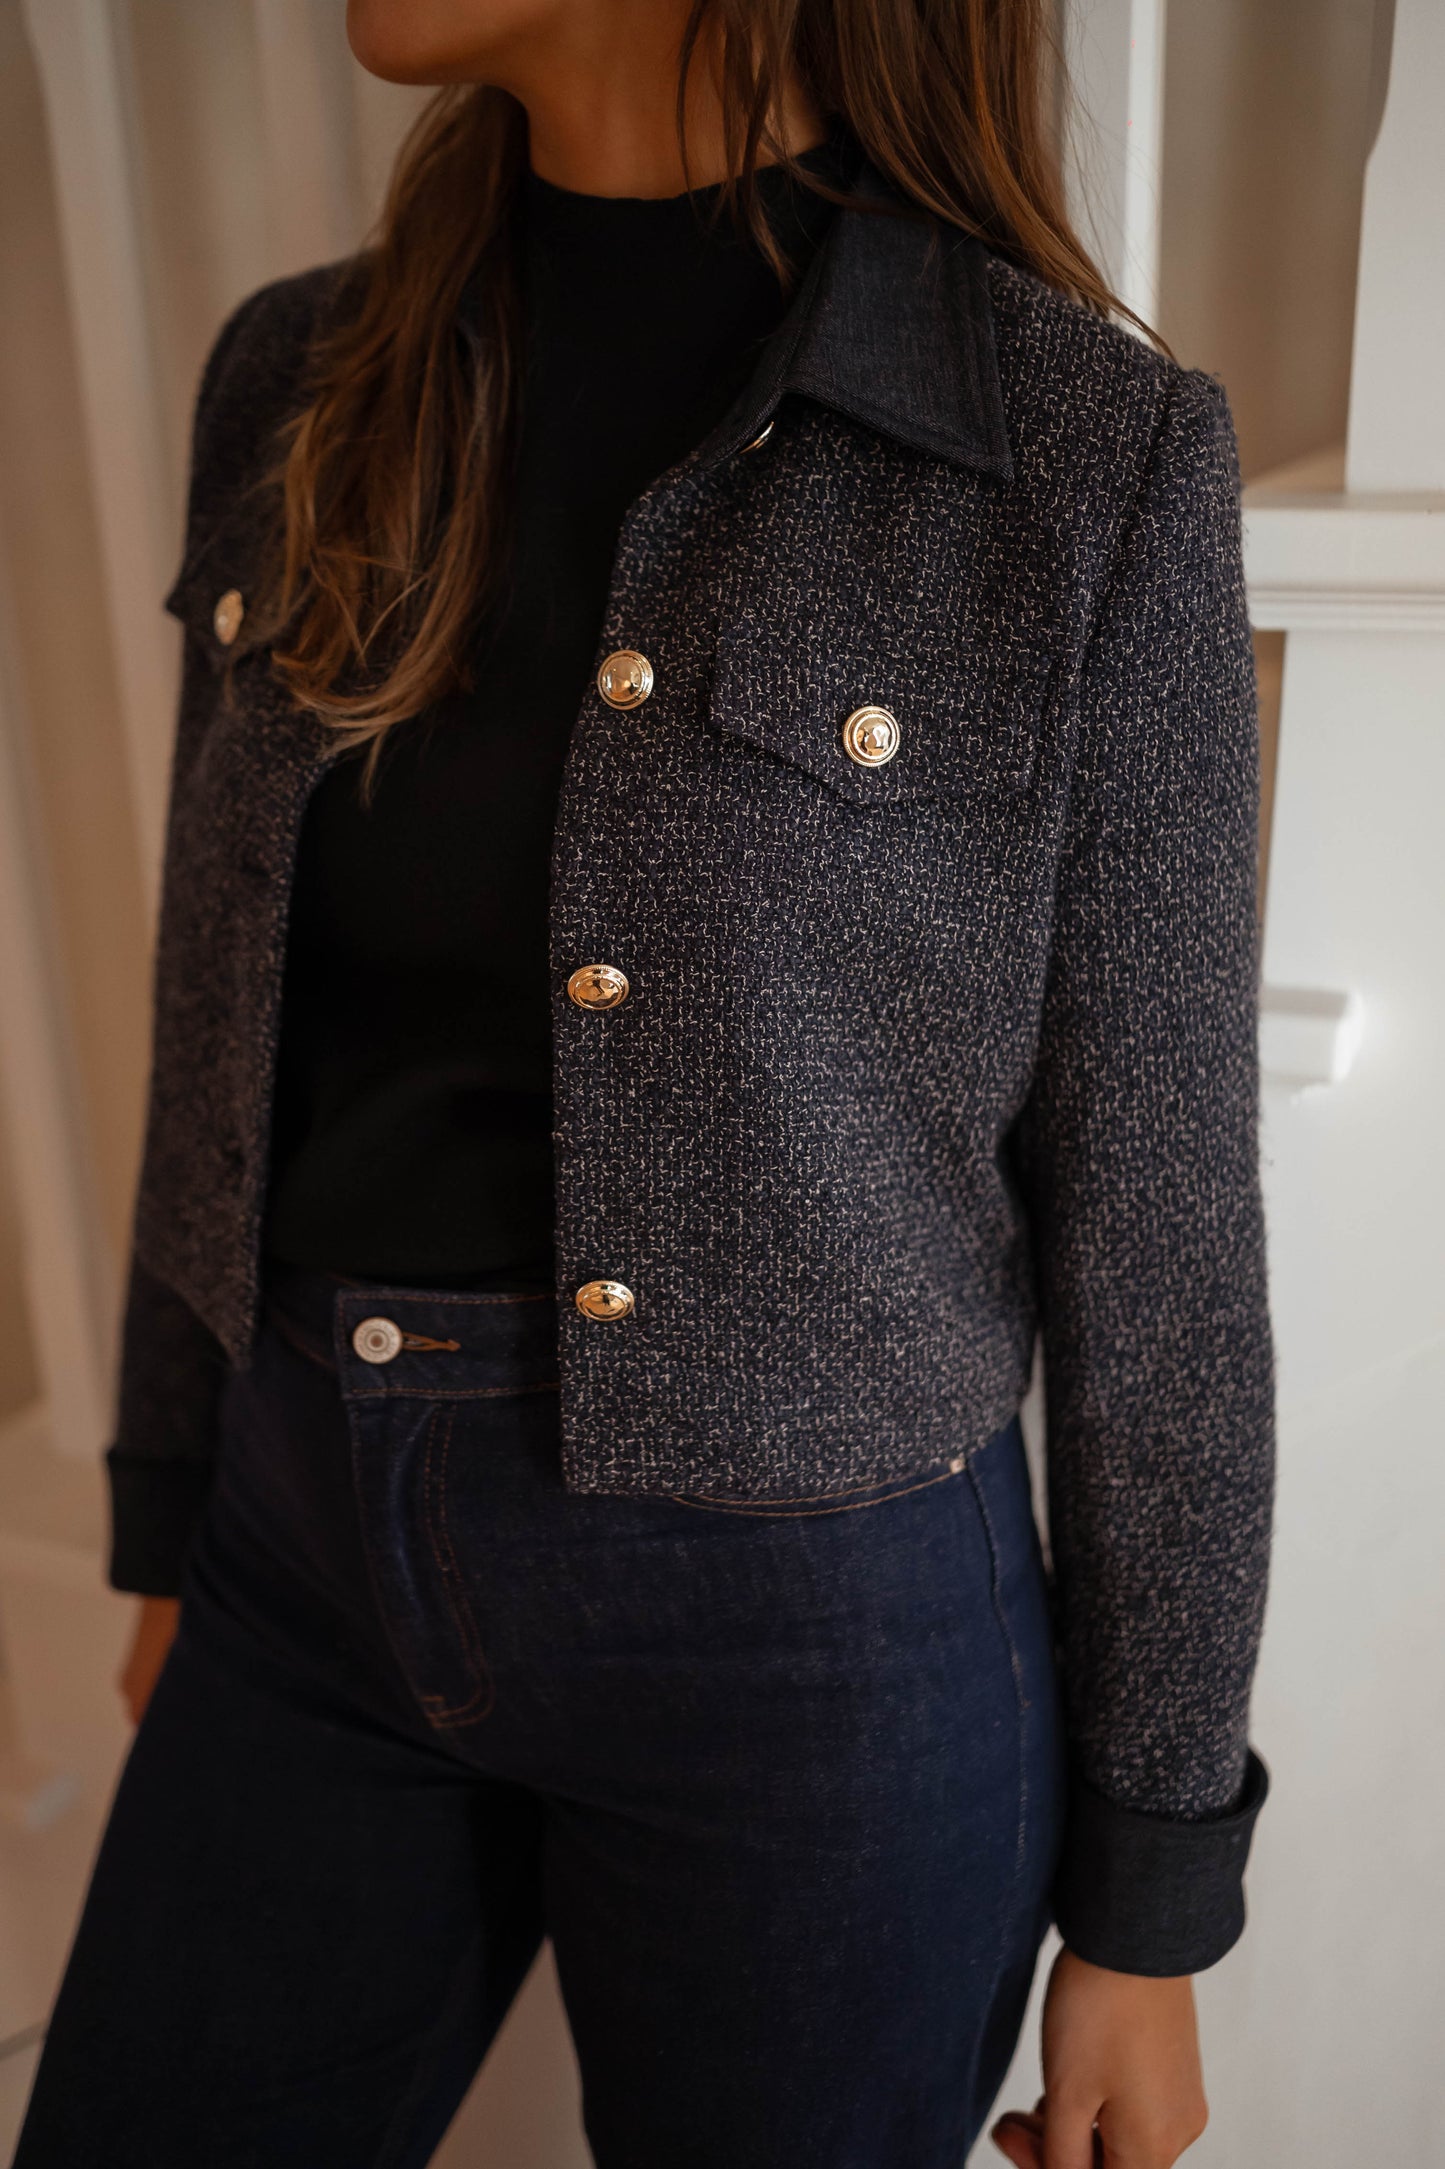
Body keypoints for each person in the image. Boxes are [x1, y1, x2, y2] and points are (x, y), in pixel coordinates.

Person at [15, 1, 1275, 2163]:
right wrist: (170, 1509)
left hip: (817, 1657)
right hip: (301, 1555)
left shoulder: (1078, 456)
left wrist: (1147, 1908)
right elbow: (217, 1009)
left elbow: (1160, 1226)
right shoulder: (299, 378)